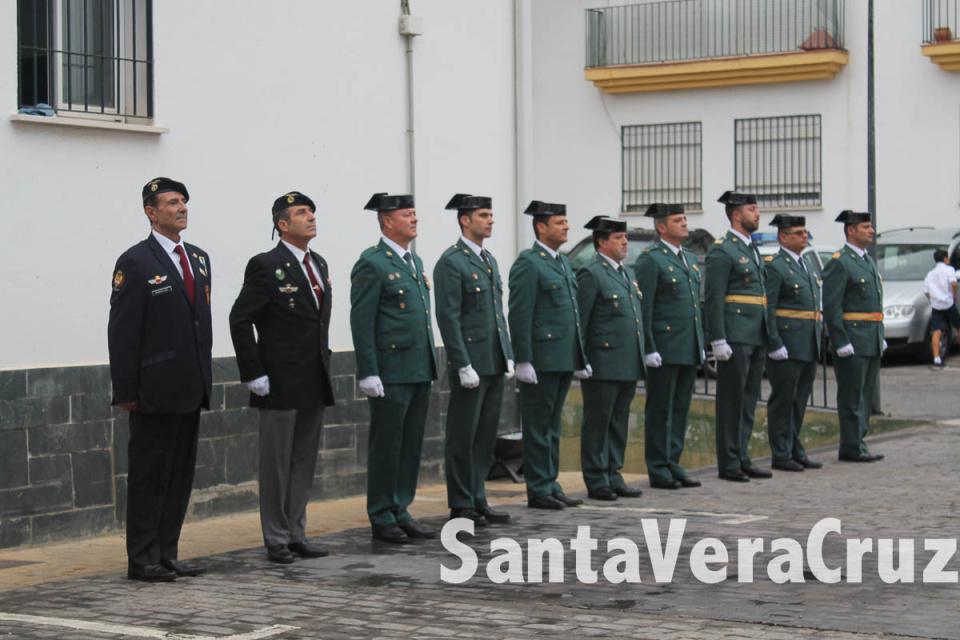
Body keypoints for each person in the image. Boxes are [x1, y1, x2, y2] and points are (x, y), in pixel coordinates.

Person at [108, 177, 211, 582]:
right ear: (151, 212)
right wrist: (126, 391)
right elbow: (123, 330)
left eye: (183, 201)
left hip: (190, 386)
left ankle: (168, 552)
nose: (181, 207)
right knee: (150, 476)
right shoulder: (136, 261)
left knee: (179, 476)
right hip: (153, 390)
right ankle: (142, 558)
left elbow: (199, 323)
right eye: (171, 202)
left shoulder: (199, 258)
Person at [229, 191, 335, 564]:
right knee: (276, 464)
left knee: (303, 461)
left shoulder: (317, 263)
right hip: (278, 380)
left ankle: (296, 532)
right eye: (301, 213)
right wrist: (252, 371)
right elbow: (240, 318)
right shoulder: (265, 264)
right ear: (282, 224)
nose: (311, 217)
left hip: (313, 377)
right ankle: (276, 538)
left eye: (312, 211)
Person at [350, 192, 438, 542]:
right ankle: (382, 513)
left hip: (418, 366)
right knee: (387, 444)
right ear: (387, 221)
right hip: (390, 370)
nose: (414, 219)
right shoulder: (372, 262)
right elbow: (362, 320)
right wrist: (368, 370)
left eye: (415, 213)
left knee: (411, 444)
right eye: (407, 214)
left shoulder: (413, 262)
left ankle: (402, 508)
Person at [433, 194, 515, 526]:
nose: (491, 220)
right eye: (484, 215)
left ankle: (478, 496)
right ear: (465, 220)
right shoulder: (452, 262)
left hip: (493, 360)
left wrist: (507, 353)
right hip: (471, 363)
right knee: (463, 436)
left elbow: (497, 314)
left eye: (491, 215)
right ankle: (461, 502)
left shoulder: (489, 260)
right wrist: (461, 362)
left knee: (484, 436)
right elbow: (448, 316)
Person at [508, 200, 588, 510]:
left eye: (566, 222)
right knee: (538, 425)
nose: (566, 227)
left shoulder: (563, 263)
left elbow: (573, 315)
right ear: (541, 227)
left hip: (562, 356)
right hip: (541, 359)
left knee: (553, 425)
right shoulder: (530, 263)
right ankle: (538, 486)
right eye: (559, 222)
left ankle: (550, 482)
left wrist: (579, 356)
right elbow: (520, 312)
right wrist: (523, 358)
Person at [634, 203, 705, 490]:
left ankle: (673, 461)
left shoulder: (688, 257)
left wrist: (699, 341)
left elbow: (694, 307)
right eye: (678, 220)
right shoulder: (651, 260)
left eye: (685, 219)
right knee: (660, 409)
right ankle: (658, 467)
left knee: (680, 408)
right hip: (664, 346)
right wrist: (649, 347)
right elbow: (646, 308)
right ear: (662, 227)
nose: (685, 224)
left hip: (686, 345)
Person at [576, 216, 645, 500]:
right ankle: (596, 478)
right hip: (602, 363)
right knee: (598, 423)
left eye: (625, 237)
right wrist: (581, 359)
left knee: (619, 422)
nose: (625, 241)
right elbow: (582, 319)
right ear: (602, 242)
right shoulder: (591, 273)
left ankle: (613, 473)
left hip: (626, 361)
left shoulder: (626, 274)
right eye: (618, 238)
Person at [704, 191, 771, 482]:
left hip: (755, 333)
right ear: (736, 215)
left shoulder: (751, 248)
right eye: (752, 209)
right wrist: (718, 338)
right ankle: (729, 461)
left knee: (748, 399)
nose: (757, 214)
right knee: (731, 401)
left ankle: (743, 455)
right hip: (735, 334)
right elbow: (714, 297)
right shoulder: (723, 250)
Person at [822, 210, 886, 462]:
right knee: (851, 395)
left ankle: (858, 441)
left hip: (870, 337)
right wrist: (840, 341)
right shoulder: (840, 261)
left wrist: (880, 333)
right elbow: (832, 306)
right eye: (866, 227)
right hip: (853, 338)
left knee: (865, 393)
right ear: (851, 230)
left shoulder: (867, 260)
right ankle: (850, 445)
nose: (871, 231)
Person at [763, 215, 824, 472]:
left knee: (799, 401)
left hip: (807, 342)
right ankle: (781, 452)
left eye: (805, 232)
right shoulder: (776, 266)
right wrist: (774, 342)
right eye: (798, 232)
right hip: (787, 343)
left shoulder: (806, 264)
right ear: (783, 237)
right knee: (783, 400)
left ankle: (795, 448)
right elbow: (770, 307)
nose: (804, 236)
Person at [923, 248, 959, 367]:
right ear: (945, 259)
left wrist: (932, 299)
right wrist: (954, 296)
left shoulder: (930, 273)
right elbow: (953, 284)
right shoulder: (949, 270)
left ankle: (937, 358)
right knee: (958, 326)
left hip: (936, 305)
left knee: (937, 331)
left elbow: (926, 291)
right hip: (948, 303)